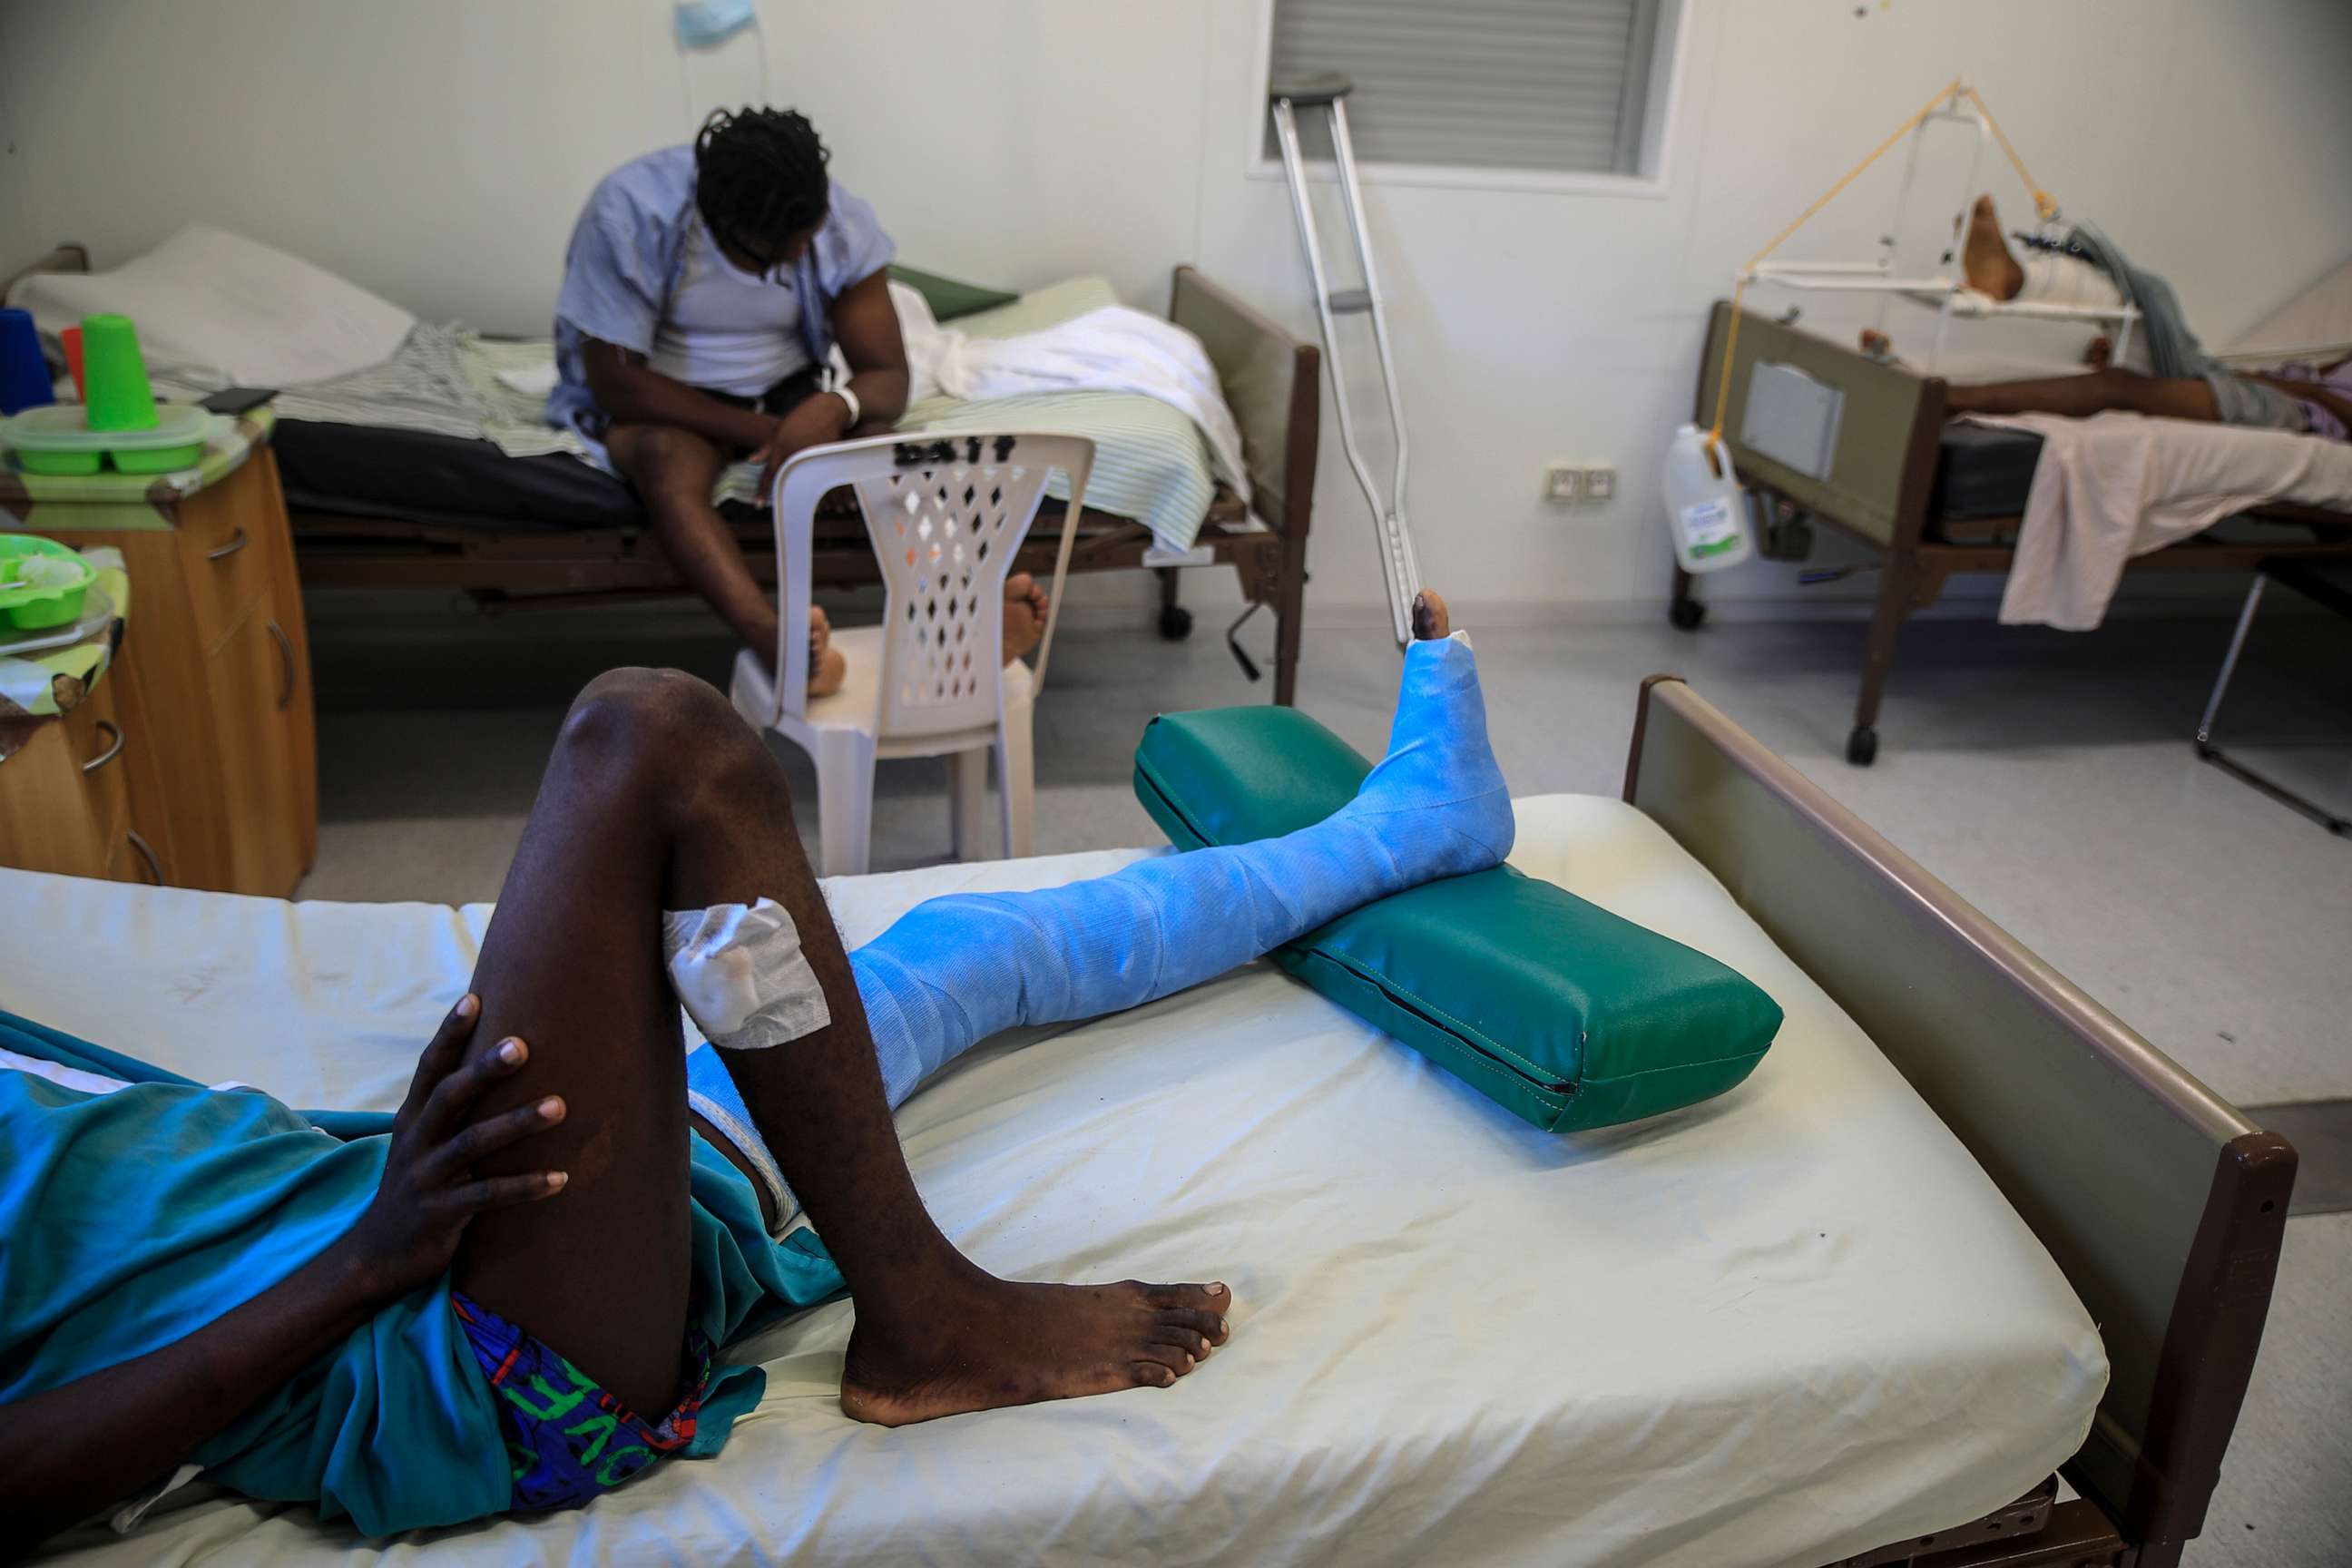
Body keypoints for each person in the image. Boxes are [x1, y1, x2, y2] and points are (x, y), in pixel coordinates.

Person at [0, 593, 1509, 1548]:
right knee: (650, 739)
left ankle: (1406, 827)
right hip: (449, 1355)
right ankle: (922, 1310)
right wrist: (363, 1258)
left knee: (967, 948)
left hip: (425, 1222)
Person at [547, 106, 1051, 694]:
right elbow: (617, 382)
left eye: (805, 240)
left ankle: (962, 617)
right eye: (776, 252)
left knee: (879, 447)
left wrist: (832, 409)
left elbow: (887, 375)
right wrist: (766, 432)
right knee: (666, 462)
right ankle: (776, 642)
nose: (797, 255)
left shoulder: (835, 222)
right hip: (665, 404)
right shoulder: (628, 214)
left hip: (790, 391)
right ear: (722, 225)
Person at [1941, 196, 2352, 436]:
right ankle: (2016, 281)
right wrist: (2279, 379)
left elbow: (2326, 397)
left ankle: (1950, 398)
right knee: (2151, 293)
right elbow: (2320, 374)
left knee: (2119, 386)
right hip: (2254, 383)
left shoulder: (2304, 405)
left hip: (2298, 416)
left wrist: (2305, 392)